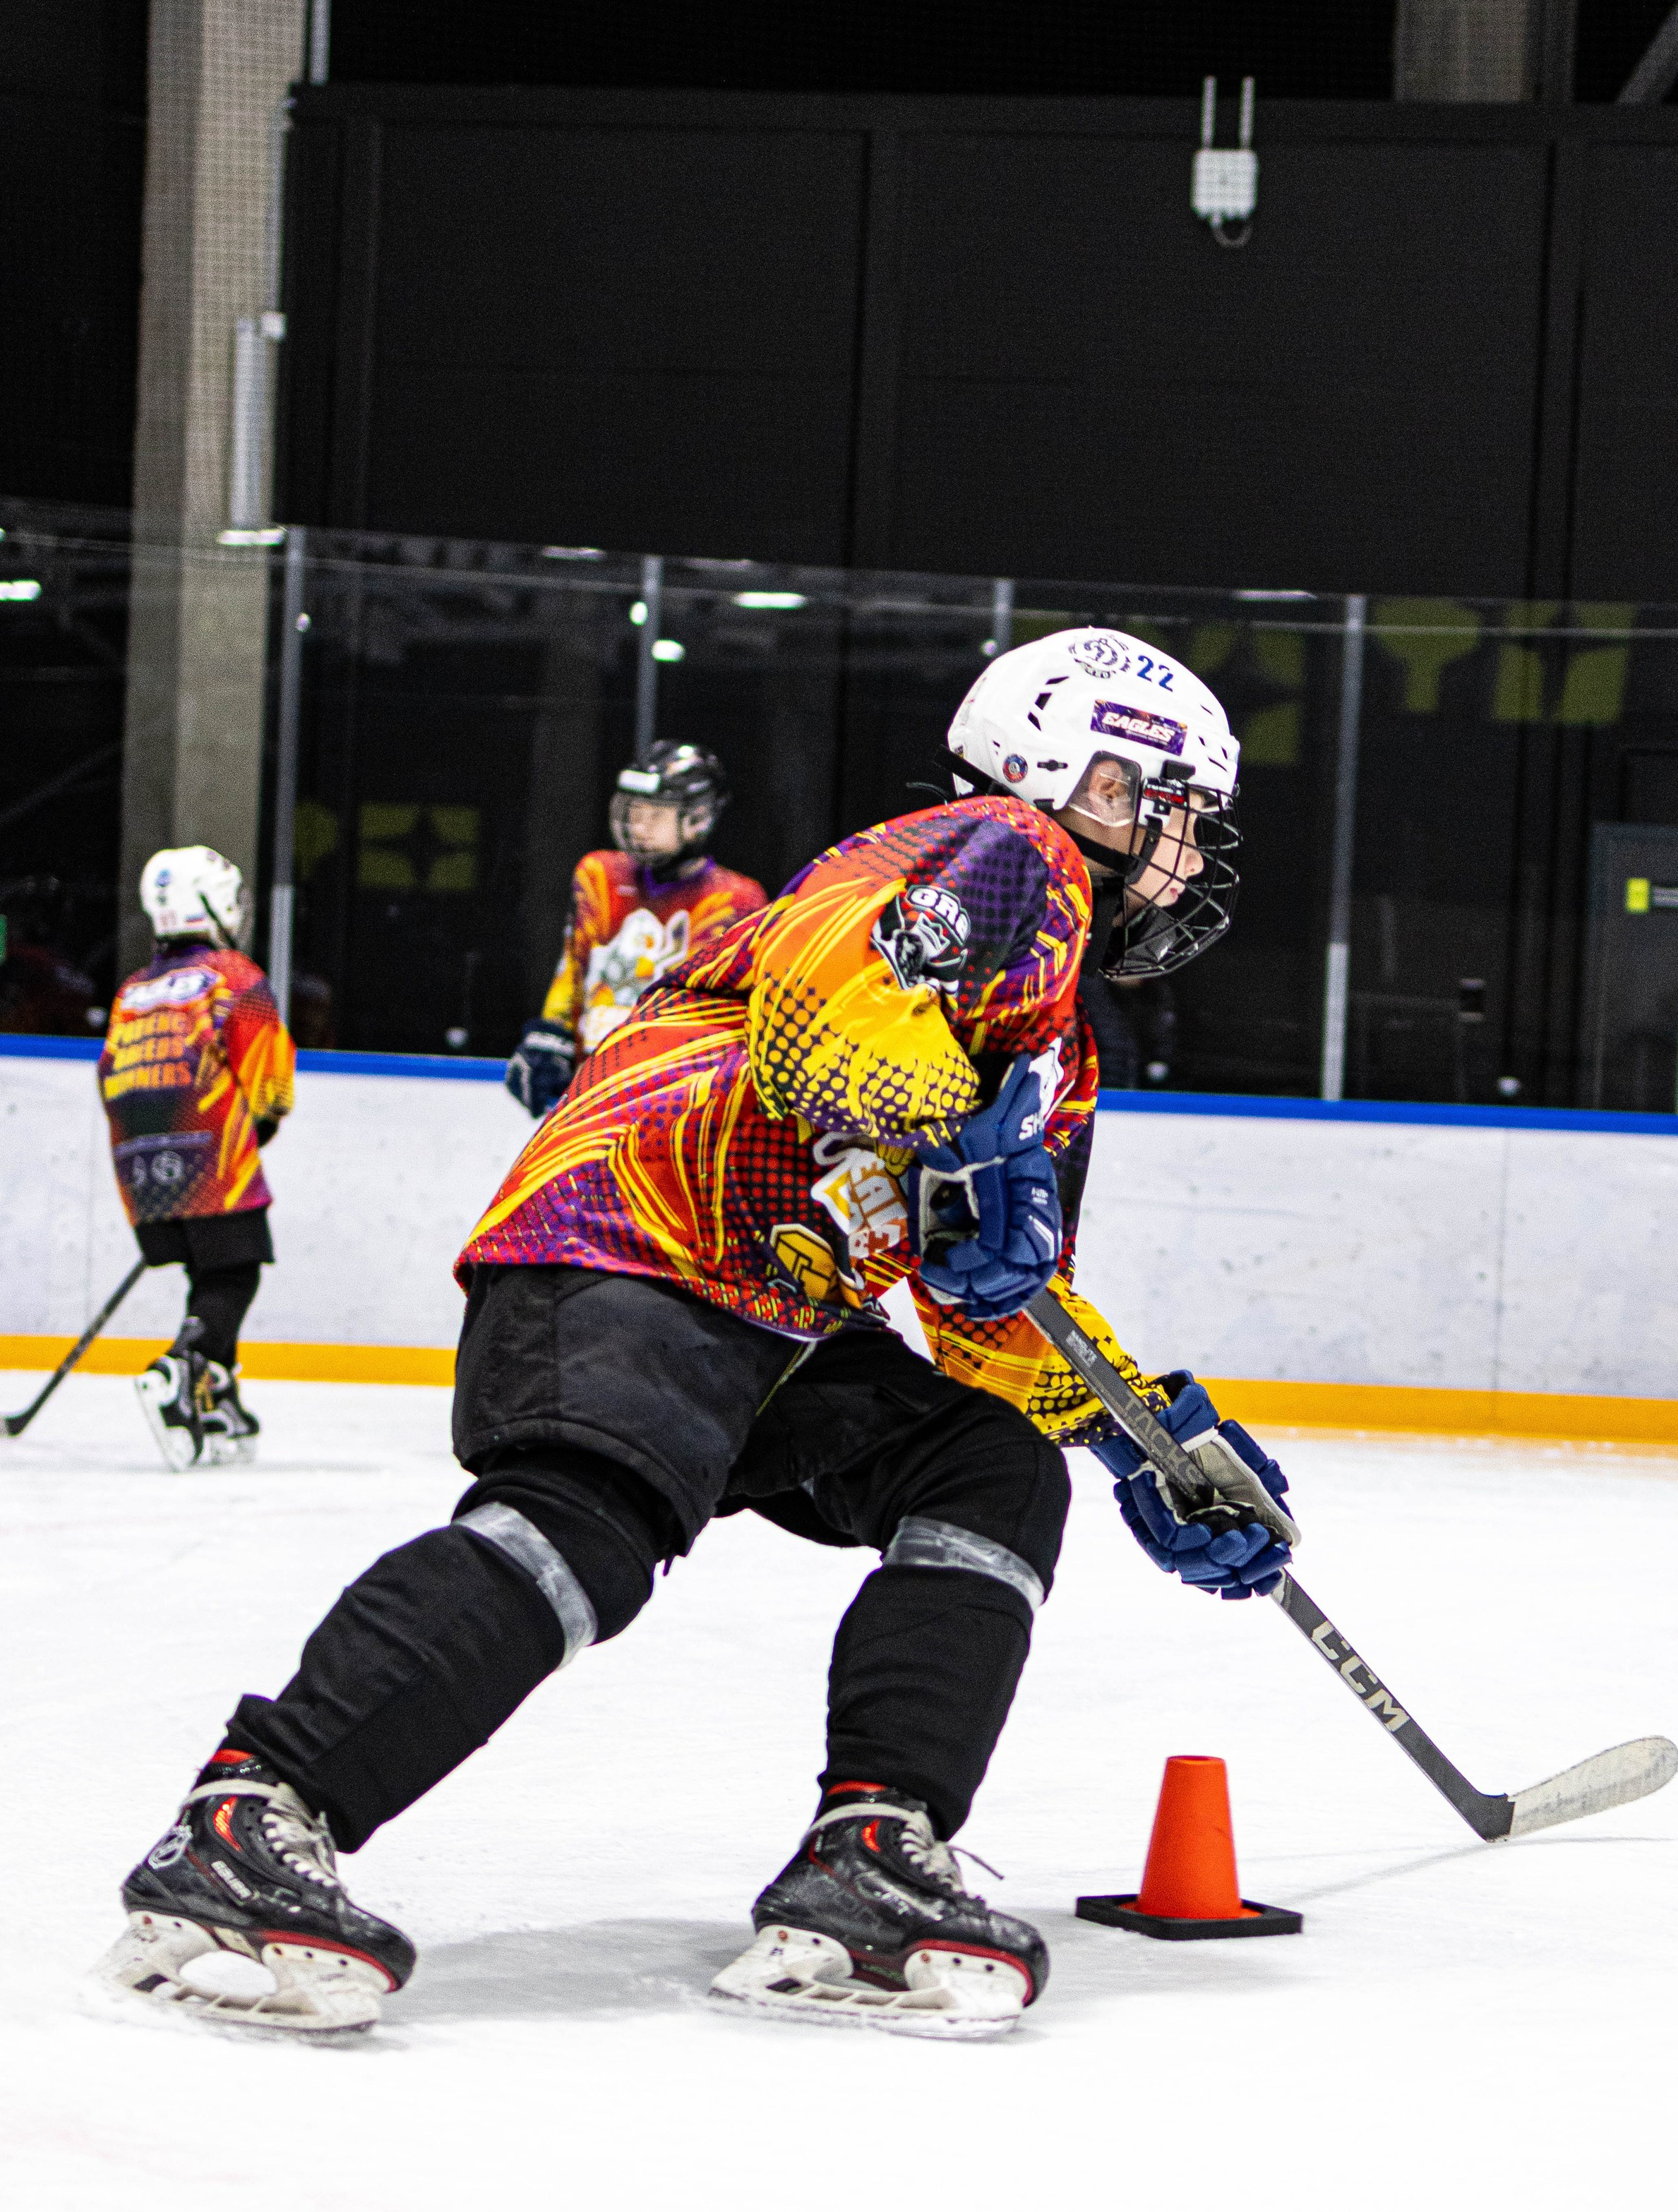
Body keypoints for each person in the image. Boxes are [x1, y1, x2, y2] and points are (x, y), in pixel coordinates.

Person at [94, 629, 1293, 2042]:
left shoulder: (1053, 1035)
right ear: (1080, 779)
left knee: (987, 1462)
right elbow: (821, 1019)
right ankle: (254, 1814)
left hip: (772, 1313)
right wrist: (954, 1152)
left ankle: (873, 1846)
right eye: (1173, 806)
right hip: (640, 1234)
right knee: (583, 1530)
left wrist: (1140, 1431)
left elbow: (992, 1302)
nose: (1184, 849)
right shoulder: (996, 846)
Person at [98, 847, 296, 1470]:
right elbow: (271, 1081)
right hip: (212, 1153)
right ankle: (180, 1368)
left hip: (137, 1165)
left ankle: (214, 1396)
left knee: (209, 1275)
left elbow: (111, 1074)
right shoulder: (233, 974)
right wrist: (257, 1126)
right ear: (208, 904)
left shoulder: (132, 991)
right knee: (235, 1273)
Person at [505, 740, 765, 1116]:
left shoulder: (735, 900)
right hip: (588, 1085)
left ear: (699, 819)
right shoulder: (599, 875)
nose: (637, 828)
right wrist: (551, 1036)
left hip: (675, 1095)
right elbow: (574, 966)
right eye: (631, 813)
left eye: (654, 817)